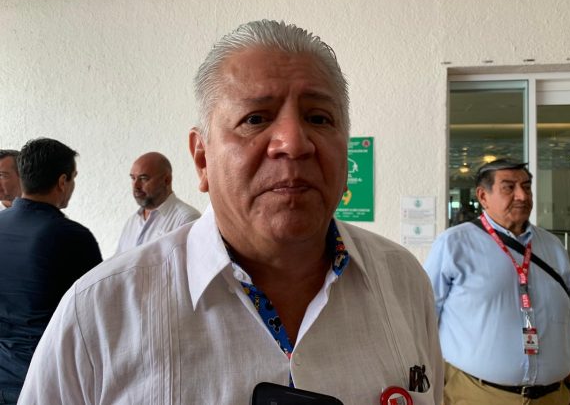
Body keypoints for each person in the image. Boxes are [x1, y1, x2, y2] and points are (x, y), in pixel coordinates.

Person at [18, 20, 443, 405]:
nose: (294, 143)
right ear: (202, 159)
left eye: (319, 117)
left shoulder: (403, 281)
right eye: (255, 119)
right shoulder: (99, 312)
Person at [424, 159, 570, 405]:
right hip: (476, 396)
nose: (522, 196)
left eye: (526, 187)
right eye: (509, 187)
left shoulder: (553, 246)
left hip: (553, 397)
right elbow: (423, 318)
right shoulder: (453, 245)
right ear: (483, 196)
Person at [0, 138, 102, 404]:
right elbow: (98, 312)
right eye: (73, 178)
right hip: (44, 380)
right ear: (62, 182)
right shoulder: (72, 237)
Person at [115, 151, 201, 254]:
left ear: (166, 180)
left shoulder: (187, 220)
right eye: (133, 178)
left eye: (143, 178)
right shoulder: (132, 222)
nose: (136, 185)